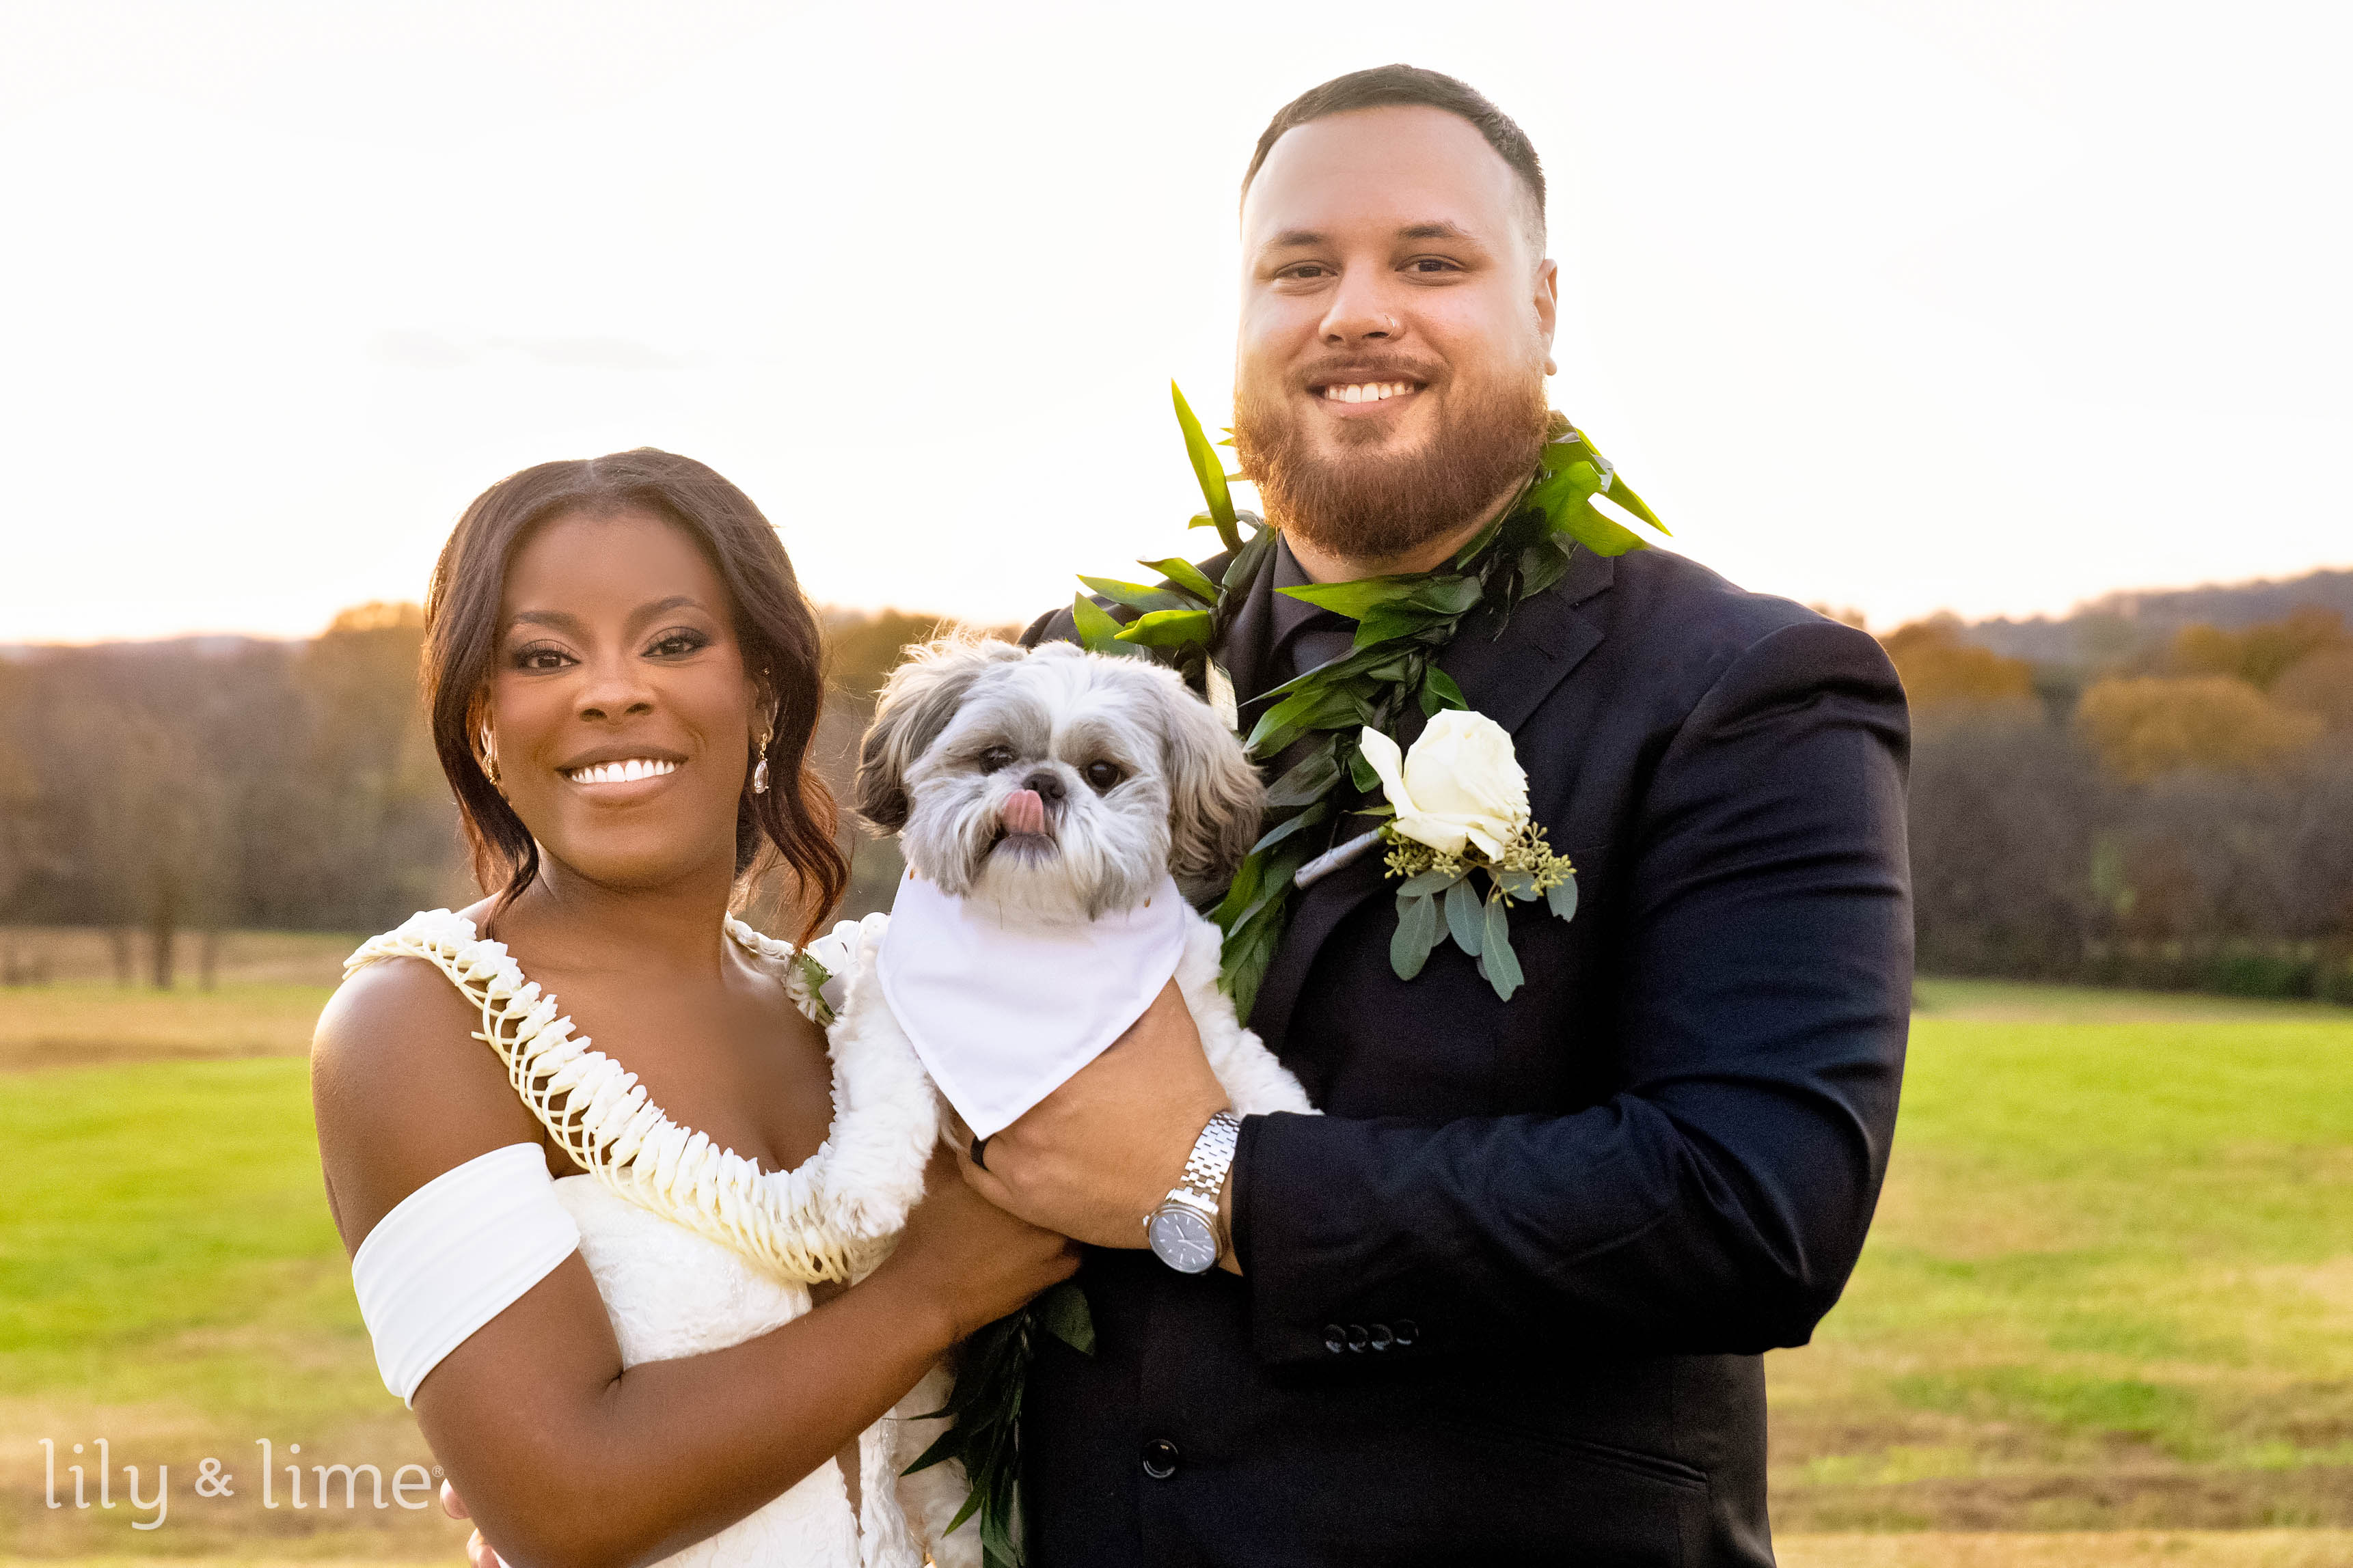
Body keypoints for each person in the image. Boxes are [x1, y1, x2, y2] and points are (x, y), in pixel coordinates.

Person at [963, 66, 1914, 1565]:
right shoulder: (1079, 678)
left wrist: (1219, 1183)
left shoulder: (1745, 690)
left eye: (1428, 261)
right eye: (1300, 269)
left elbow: (1752, 1205)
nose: (1356, 311)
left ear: (1543, 306)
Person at [310, 450, 1074, 1568]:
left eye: (673, 643)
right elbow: (563, 1506)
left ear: (761, 689)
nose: (612, 690)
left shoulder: (858, 1012)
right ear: (483, 715)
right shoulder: (419, 1026)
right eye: (544, 656)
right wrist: (928, 1296)